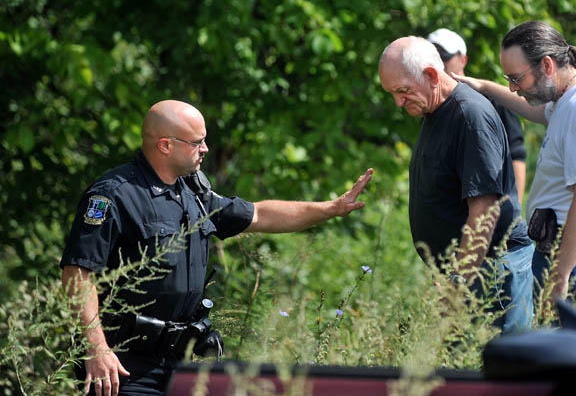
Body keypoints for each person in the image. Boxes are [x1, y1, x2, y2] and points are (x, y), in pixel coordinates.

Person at [60, 100, 373, 396]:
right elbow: (78, 273)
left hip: (183, 362)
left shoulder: (193, 194)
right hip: (125, 364)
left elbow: (260, 214)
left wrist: (331, 208)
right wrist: (96, 348)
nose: (205, 149)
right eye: (197, 142)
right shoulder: (113, 195)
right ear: (165, 145)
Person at [452, 21, 576, 317]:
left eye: (517, 78)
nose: (513, 88)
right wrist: (480, 86)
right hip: (572, 250)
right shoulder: (570, 96)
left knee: (570, 357)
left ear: (546, 65)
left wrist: (560, 276)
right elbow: (531, 109)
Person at [378, 36, 535, 333]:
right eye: (393, 94)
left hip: (493, 274)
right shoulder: (433, 109)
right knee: (463, 373)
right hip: (470, 273)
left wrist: (460, 286)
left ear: (432, 76)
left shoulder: (469, 116)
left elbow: (484, 213)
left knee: (498, 373)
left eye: (402, 91)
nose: (398, 102)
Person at [427, 28, 528, 203]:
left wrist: (514, 212)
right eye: (433, 59)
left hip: (490, 214)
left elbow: (516, 154)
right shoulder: (431, 107)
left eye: (444, 56)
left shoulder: (492, 100)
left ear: (463, 59)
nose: (439, 64)